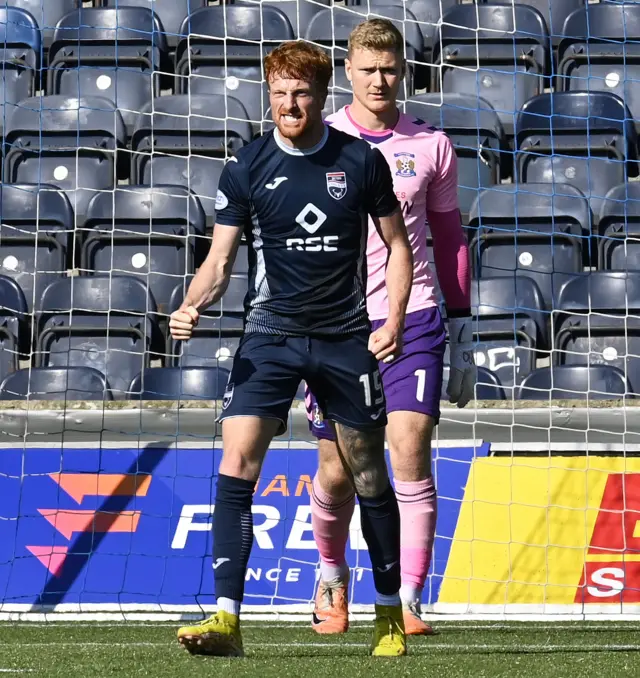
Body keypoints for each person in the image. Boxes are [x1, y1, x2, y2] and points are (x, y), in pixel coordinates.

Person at [169, 40, 414, 658]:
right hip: (270, 335)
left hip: (343, 338)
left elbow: (399, 245)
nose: (288, 103)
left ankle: (388, 614)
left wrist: (394, 320)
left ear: (322, 95)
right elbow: (220, 261)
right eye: (278, 93)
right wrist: (193, 302)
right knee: (238, 458)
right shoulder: (246, 165)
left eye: (300, 92)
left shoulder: (359, 161)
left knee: (365, 472)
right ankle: (226, 619)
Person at [306, 18, 475, 637]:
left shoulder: (432, 145)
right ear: (348, 70)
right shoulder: (320, 141)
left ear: (404, 70)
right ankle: (330, 576)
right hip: (335, 323)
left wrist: (463, 334)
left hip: (417, 318)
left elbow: (451, 238)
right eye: (368, 68)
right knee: (339, 469)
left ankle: (408, 598)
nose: (379, 79)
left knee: (409, 451)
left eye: (390, 68)